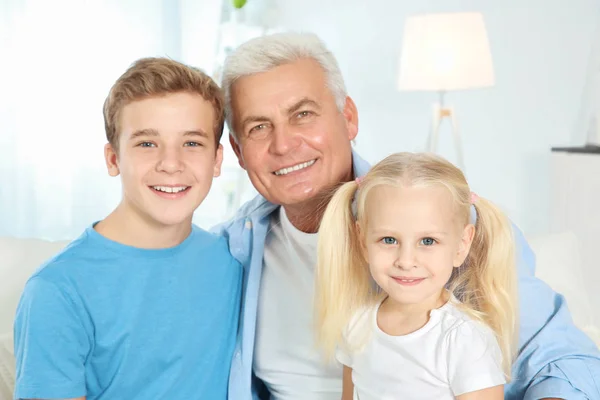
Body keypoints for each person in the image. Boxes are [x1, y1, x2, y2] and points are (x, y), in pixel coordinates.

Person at [215, 31, 600, 400]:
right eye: (259, 127)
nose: (283, 144)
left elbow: (562, 358)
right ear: (237, 150)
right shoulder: (232, 251)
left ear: (348, 117)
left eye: (302, 114)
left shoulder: (446, 223)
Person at [13, 57, 242, 400]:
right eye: (147, 143)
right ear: (113, 159)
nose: (170, 164)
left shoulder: (233, 261)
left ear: (217, 160)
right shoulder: (57, 291)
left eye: (192, 142)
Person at [315, 152, 517, 399]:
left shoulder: (464, 340)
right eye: (388, 240)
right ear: (362, 240)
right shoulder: (357, 322)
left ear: (462, 245)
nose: (406, 261)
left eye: (428, 241)